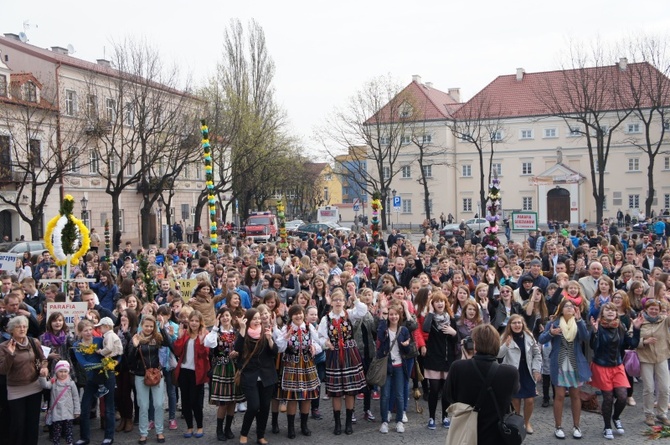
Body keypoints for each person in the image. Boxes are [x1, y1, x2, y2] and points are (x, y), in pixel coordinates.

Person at [445, 324, 519, 445]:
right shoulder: (510, 372)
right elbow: (513, 393)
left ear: (474, 344)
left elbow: (450, 396)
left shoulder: (458, 367)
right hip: (498, 436)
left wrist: (466, 361)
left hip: (467, 434)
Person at [317, 288, 368, 435]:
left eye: (340, 300)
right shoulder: (325, 319)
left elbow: (363, 311)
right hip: (334, 355)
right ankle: (337, 423)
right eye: (335, 300)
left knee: (350, 390)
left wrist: (354, 296)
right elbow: (320, 337)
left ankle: (348, 423)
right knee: (336, 391)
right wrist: (326, 342)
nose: (338, 302)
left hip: (350, 354)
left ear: (344, 302)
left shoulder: (349, 314)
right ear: (331, 302)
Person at [539, 298, 591, 439]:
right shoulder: (554, 322)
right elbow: (541, 339)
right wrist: (551, 333)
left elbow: (586, 337)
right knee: (560, 396)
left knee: (575, 395)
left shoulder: (579, 322)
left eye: (572, 306)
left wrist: (580, 321)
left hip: (575, 363)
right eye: (566, 306)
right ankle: (558, 426)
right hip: (559, 362)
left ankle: (576, 426)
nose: (569, 308)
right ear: (561, 309)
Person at [589, 302, 643, 439]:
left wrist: (636, 329)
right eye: (607, 310)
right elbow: (594, 347)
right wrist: (594, 333)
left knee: (623, 397)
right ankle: (607, 427)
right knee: (607, 398)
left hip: (617, 365)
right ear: (602, 313)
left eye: (613, 310)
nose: (611, 312)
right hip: (602, 366)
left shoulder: (620, 326)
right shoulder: (598, 327)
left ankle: (616, 417)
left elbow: (633, 344)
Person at [0, 315, 49, 445]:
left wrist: (44, 368)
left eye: (24, 326)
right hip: (15, 389)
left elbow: (43, 359)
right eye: (18, 327)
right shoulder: (4, 347)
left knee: (32, 423)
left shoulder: (34, 342)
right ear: (11, 330)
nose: (22, 329)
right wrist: (10, 354)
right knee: (18, 424)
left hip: (34, 386)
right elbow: (3, 371)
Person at [234, 308, 279, 445]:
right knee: (254, 406)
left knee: (265, 407)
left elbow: (274, 353)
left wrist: (270, 340)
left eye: (259, 318)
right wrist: (242, 329)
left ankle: (260, 435)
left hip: (267, 376)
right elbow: (238, 349)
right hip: (250, 376)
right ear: (248, 320)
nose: (258, 321)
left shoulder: (266, 332)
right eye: (254, 319)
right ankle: (244, 433)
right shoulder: (244, 334)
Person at [277, 304, 321, 438]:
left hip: (307, 364)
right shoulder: (286, 328)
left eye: (300, 313)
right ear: (291, 316)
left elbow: (319, 343)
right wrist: (286, 337)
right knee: (292, 397)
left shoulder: (309, 327)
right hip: (292, 364)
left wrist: (314, 347)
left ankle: (304, 425)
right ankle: (291, 427)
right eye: (295, 314)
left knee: (307, 396)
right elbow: (279, 348)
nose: (298, 316)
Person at [127, 315, 172, 444]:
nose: (148, 328)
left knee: (158, 404)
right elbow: (129, 360)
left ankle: (159, 431)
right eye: (146, 326)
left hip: (157, 374)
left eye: (151, 326)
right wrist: (135, 346)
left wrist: (162, 328)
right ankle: (143, 433)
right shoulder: (136, 338)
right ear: (142, 325)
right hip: (141, 375)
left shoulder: (157, 337)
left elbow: (169, 344)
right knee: (143, 405)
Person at [498, 314, 542, 434]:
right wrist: (506, 345)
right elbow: (498, 355)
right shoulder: (505, 337)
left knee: (529, 400)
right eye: (514, 323)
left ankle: (527, 422)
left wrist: (536, 369)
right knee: (516, 401)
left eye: (519, 323)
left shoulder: (529, 336)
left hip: (527, 371)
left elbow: (537, 354)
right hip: (513, 373)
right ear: (510, 325)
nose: (517, 325)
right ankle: (518, 422)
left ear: (523, 324)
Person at [204, 307, 243, 441]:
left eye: (227, 315)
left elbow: (243, 348)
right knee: (223, 402)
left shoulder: (236, 332)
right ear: (219, 319)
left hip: (234, 368)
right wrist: (215, 327)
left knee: (233, 401)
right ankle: (219, 429)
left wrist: (238, 353)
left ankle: (228, 428)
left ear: (231, 317)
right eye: (222, 316)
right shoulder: (216, 332)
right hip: (221, 368)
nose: (225, 318)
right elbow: (208, 343)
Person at [173, 310, 210, 438]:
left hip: (197, 372)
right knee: (185, 401)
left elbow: (204, 354)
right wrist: (178, 337)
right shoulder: (185, 334)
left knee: (195, 401)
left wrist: (200, 341)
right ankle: (189, 427)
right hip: (184, 371)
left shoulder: (205, 334)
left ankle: (199, 426)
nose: (194, 323)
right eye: (192, 320)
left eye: (196, 321)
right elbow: (177, 351)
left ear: (200, 322)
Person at [377, 302, 412, 434]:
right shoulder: (384, 329)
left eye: (396, 314)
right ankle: (384, 421)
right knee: (385, 395)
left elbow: (407, 351)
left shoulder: (403, 330)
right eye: (391, 314)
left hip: (399, 366)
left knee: (399, 394)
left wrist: (406, 345)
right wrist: (382, 316)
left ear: (400, 315)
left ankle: (399, 421)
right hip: (386, 366)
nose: (393, 317)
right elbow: (380, 338)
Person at [637, 299, 670, 427]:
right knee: (649, 388)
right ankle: (649, 414)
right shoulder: (640, 320)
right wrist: (644, 341)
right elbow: (631, 337)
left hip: (662, 356)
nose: (654, 311)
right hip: (645, 357)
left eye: (656, 309)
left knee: (665, 388)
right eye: (651, 308)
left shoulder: (664, 320)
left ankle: (662, 414)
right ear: (646, 309)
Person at [39, 360, 81, 445]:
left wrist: (77, 410)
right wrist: (42, 376)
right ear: (56, 372)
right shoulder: (53, 382)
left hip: (68, 412)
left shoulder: (71, 384)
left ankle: (69, 443)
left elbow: (76, 398)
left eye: (65, 371)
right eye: (60, 371)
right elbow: (45, 385)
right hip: (56, 412)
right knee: (56, 432)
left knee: (69, 431)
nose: (63, 374)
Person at [94, 317, 123, 398]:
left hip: (112, 357)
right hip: (115, 357)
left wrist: (100, 351)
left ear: (106, 327)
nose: (99, 329)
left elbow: (109, 348)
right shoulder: (111, 335)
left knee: (99, 372)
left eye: (100, 327)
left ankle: (102, 388)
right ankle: (112, 384)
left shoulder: (109, 336)